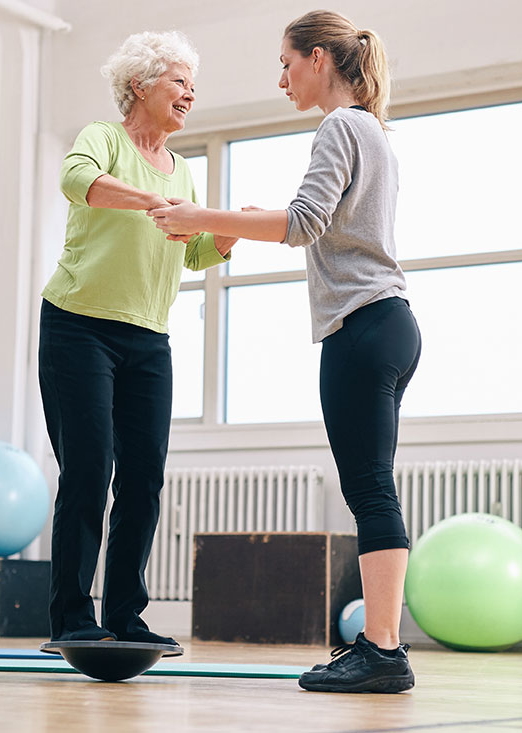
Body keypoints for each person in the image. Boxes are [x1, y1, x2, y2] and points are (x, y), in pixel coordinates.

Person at [149, 10, 421, 693]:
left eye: (287, 63)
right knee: (373, 486)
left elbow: (303, 223)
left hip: (361, 327)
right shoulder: (375, 132)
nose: (282, 78)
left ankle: (384, 649)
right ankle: (384, 645)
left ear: (321, 59)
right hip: (389, 322)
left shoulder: (341, 125)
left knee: (368, 490)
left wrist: (201, 216)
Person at [39, 30, 236, 647]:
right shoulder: (104, 138)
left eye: (192, 84)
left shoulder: (186, 170)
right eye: (178, 81)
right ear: (140, 85)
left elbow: (194, 251)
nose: (189, 93)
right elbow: (79, 183)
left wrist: (226, 234)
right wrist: (155, 202)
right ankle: (72, 617)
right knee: (89, 470)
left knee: (143, 477)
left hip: (148, 339)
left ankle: (125, 615)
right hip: (79, 327)